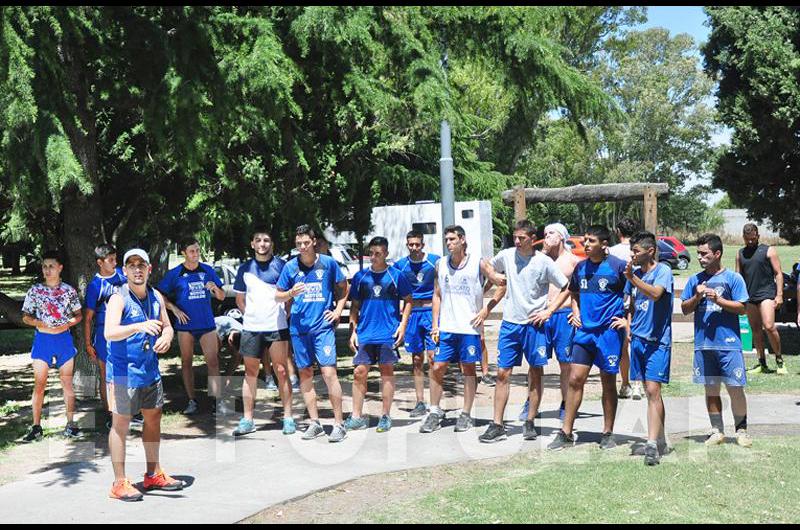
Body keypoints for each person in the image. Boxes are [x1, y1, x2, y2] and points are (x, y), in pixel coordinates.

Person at [479, 220, 570, 443]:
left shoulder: (544, 262)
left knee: (536, 373)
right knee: (502, 374)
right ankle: (497, 424)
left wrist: (549, 311)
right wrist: (492, 276)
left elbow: (567, 287)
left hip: (535, 325)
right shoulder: (508, 255)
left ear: (532, 238)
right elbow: (484, 263)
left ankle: (530, 421)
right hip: (510, 325)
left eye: (521, 238)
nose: (517, 241)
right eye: (515, 237)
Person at [105, 249, 183, 501]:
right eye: (131, 265)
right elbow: (110, 333)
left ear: (149, 269)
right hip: (123, 373)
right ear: (124, 271)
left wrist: (167, 337)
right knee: (121, 426)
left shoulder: (156, 296)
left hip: (149, 370)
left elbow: (168, 326)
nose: (137, 269)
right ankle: (119, 483)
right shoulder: (119, 298)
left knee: (153, 419)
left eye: (142, 265)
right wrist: (139, 326)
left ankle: (152, 474)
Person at [548, 225, 627, 451]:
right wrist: (576, 312)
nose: (586, 244)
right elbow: (573, 293)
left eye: (591, 241)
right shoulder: (580, 267)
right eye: (585, 240)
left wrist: (626, 322)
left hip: (609, 334)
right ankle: (565, 433)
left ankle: (607, 432)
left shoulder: (618, 267)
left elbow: (631, 295)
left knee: (608, 382)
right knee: (575, 379)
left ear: (604, 245)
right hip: (584, 334)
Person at [276, 225, 349, 443]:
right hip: (299, 329)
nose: (302, 247)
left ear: (313, 241)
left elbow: (344, 288)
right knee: (305, 374)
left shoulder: (327, 263)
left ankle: (339, 424)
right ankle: (315, 422)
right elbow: (278, 296)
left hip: (322, 328)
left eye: (305, 243)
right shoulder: (290, 267)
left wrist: (337, 311)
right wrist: (290, 293)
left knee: (328, 374)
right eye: (298, 244)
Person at [420, 225, 494, 434]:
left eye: (452, 239)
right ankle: (434, 411)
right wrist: (435, 324)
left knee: (468, 369)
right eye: (447, 240)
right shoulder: (440, 264)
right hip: (448, 327)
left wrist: (486, 309)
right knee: (437, 366)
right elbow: (437, 294)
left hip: (470, 328)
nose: (449, 243)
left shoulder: (478, 263)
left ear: (462, 240)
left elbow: (501, 282)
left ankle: (466, 414)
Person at [681, 234, 752, 448]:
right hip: (704, 345)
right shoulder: (695, 280)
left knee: (735, 388)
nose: (700, 258)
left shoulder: (733, 279)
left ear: (717, 254)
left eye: (704, 254)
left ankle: (741, 430)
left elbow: (742, 308)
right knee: (710, 389)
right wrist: (698, 297)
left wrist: (718, 300)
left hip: (728, 345)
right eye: (699, 254)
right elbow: (685, 309)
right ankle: (717, 430)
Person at [231, 228, 295, 436]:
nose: (262, 243)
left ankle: (288, 418)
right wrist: (252, 316)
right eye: (258, 240)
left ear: (272, 244)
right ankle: (247, 419)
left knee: (282, 371)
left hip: (277, 327)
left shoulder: (281, 266)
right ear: (252, 244)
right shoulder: (244, 268)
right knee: (250, 373)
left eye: (266, 240)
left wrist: (284, 315)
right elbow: (240, 300)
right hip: (251, 328)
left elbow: (289, 296)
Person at [346, 237, 413, 433]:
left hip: (387, 333)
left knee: (386, 373)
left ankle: (385, 416)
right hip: (365, 333)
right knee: (359, 372)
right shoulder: (360, 277)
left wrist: (402, 325)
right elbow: (355, 306)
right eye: (371, 253)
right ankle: (356, 416)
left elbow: (408, 300)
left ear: (386, 254)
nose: (373, 257)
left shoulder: (396, 276)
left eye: (378, 254)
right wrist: (353, 331)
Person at [157, 237, 227, 415]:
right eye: (192, 251)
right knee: (186, 363)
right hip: (185, 326)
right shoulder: (175, 274)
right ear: (183, 253)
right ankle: (191, 401)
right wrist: (174, 309)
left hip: (206, 324)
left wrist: (215, 289)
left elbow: (222, 297)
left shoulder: (208, 270)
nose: (196, 254)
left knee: (212, 361)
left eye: (197, 250)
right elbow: (158, 295)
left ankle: (217, 401)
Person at [519, 222, 581, 423]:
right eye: (544, 233)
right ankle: (531, 402)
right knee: (535, 363)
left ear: (561, 237)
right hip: (539, 316)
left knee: (566, 363)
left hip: (563, 316)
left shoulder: (573, 261)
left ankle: (566, 403)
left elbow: (577, 291)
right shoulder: (537, 260)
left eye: (551, 233)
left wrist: (577, 312)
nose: (546, 236)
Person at [20, 251, 83, 442]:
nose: (47, 270)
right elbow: (25, 316)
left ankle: (71, 424)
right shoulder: (35, 291)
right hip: (43, 341)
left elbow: (78, 315)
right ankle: (36, 427)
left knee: (66, 383)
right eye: (44, 266)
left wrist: (68, 324)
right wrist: (39, 323)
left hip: (63, 340)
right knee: (39, 384)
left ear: (60, 267)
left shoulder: (69, 291)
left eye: (51, 266)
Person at [624, 232, 674, 465]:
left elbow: (655, 294)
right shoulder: (633, 275)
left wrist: (633, 279)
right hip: (638, 340)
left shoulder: (662, 271)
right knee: (648, 390)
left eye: (636, 251)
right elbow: (632, 304)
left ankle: (651, 444)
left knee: (653, 390)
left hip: (657, 341)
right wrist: (629, 326)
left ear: (650, 251)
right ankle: (660, 437)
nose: (632, 255)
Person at [83, 244, 136, 429]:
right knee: (107, 375)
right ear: (100, 262)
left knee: (127, 371)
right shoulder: (95, 285)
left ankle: (128, 410)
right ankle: (109, 414)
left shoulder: (123, 277)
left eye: (115, 259)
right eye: (110, 260)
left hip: (126, 330)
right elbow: (88, 317)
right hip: (104, 334)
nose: (114, 262)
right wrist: (88, 343)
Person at [393, 230, 440, 417]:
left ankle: (435, 403)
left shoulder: (434, 261)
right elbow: (395, 291)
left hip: (430, 312)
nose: (414, 248)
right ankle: (420, 401)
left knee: (433, 358)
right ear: (407, 245)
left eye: (417, 244)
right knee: (417, 359)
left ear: (423, 245)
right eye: (411, 244)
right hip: (412, 314)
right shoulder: (400, 265)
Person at [737, 223, 787, 375]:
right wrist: (738, 298)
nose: (750, 242)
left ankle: (779, 360)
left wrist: (779, 295)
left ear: (758, 236)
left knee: (769, 326)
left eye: (753, 239)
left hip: (766, 294)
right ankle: (762, 363)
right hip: (749, 296)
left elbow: (778, 273)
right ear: (743, 238)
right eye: (747, 239)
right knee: (756, 330)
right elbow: (738, 276)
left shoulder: (768, 250)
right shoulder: (740, 253)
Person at [610, 217, 642, 400]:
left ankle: (625, 384)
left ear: (618, 231)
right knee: (637, 344)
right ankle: (638, 384)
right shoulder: (639, 251)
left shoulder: (612, 252)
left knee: (623, 347)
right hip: (639, 302)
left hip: (619, 303)